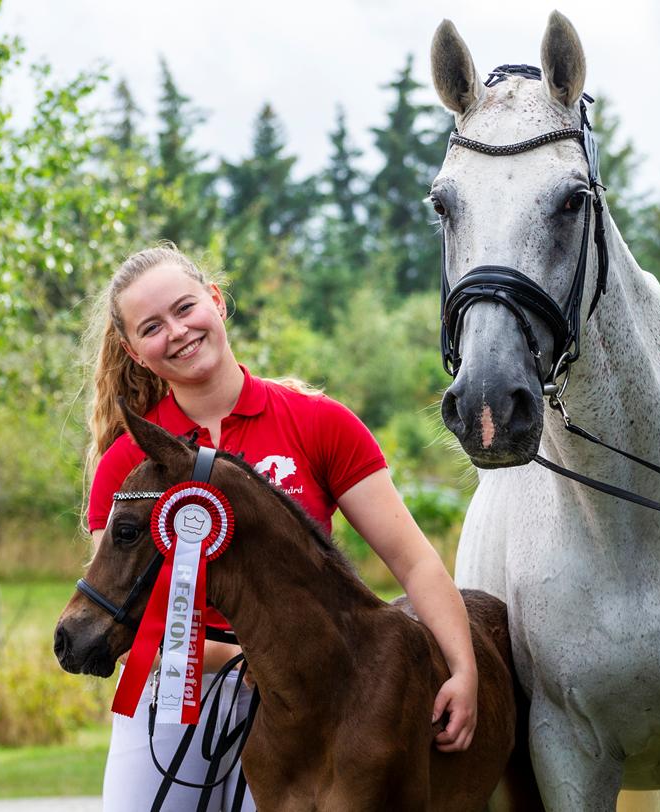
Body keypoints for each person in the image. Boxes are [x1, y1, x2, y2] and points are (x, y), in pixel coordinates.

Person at [82, 244, 478, 812]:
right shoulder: (128, 463)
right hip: (173, 695)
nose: (176, 331)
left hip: (306, 700)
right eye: (151, 327)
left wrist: (463, 669)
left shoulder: (319, 424)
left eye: (185, 307)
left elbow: (414, 561)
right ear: (133, 352)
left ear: (216, 302)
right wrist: (245, 655)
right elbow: (125, 609)